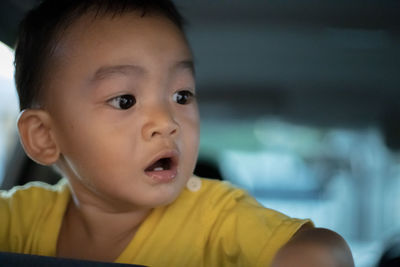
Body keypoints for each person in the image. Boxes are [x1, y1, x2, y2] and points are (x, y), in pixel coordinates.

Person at [0, 0, 354, 266]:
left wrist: (311, 255)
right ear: (45, 137)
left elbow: (324, 247)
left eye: (181, 95)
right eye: (125, 100)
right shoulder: (24, 218)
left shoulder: (216, 217)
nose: (167, 121)